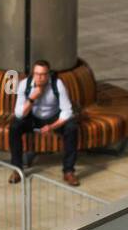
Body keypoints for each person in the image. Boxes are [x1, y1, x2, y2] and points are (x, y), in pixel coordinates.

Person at [9, 59, 79, 187]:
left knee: (72, 128)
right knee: (15, 127)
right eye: (37, 74)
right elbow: (19, 114)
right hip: (32, 117)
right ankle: (17, 169)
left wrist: (52, 126)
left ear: (48, 74)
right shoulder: (24, 84)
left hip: (52, 117)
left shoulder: (57, 84)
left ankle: (68, 171)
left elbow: (67, 111)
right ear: (33, 74)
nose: (40, 78)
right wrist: (32, 98)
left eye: (43, 74)